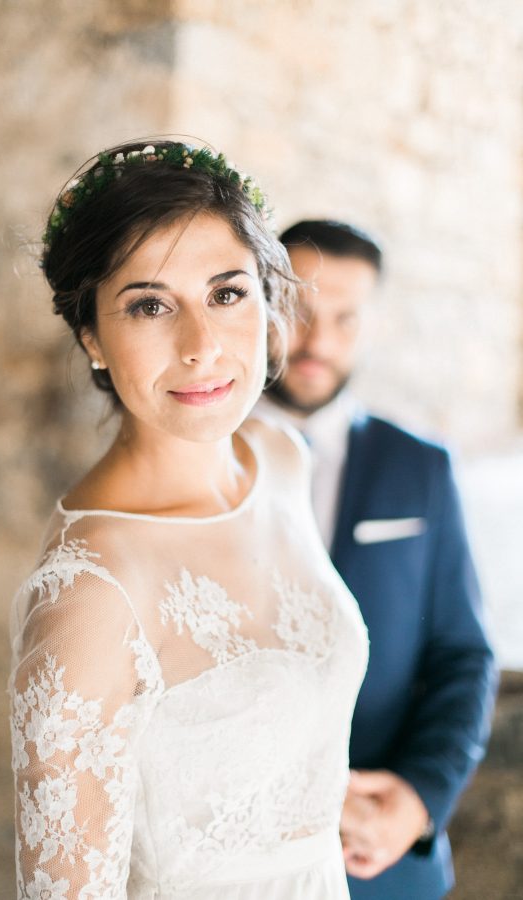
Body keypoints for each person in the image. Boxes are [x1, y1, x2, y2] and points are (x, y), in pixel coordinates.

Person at [8, 144, 369, 899]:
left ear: (269, 303)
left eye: (227, 293)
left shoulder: (281, 459)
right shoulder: (90, 591)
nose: (201, 346)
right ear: (92, 338)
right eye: (149, 305)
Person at [257, 219, 497, 900]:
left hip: (380, 855)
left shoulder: (422, 467)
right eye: (300, 311)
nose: (319, 342)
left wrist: (419, 801)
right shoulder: (194, 460)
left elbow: (464, 653)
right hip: (229, 847)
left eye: (346, 319)